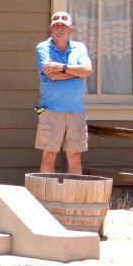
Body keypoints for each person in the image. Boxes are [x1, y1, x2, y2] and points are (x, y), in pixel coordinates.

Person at [35, 11, 92, 174]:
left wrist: (62, 67)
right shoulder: (43, 48)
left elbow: (88, 69)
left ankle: (74, 198)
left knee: (75, 155)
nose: (60, 29)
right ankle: (45, 197)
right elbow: (51, 75)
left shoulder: (79, 48)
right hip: (50, 110)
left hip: (76, 110)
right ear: (51, 28)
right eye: (56, 25)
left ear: (70, 30)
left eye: (63, 26)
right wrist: (76, 73)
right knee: (49, 154)